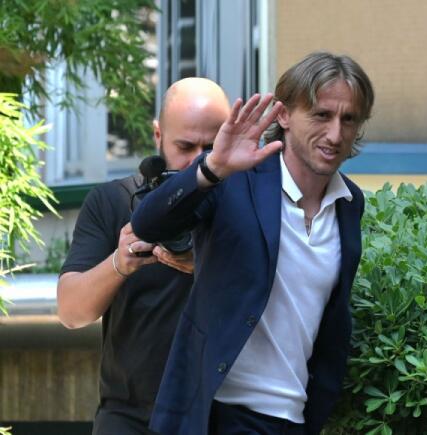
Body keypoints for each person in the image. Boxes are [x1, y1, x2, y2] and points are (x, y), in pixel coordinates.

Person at [131, 51, 375, 435]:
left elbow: (331, 317)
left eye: (349, 119)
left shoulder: (349, 203)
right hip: (218, 413)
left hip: (292, 418)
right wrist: (211, 169)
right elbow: (148, 224)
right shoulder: (235, 176)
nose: (335, 134)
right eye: (321, 115)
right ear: (284, 115)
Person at [57, 78, 231, 434]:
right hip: (129, 416)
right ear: (158, 135)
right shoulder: (116, 201)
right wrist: (119, 263)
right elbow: (71, 312)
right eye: (185, 146)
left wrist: (206, 267)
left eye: (211, 147)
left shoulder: (244, 204)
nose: (198, 161)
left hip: (220, 416)